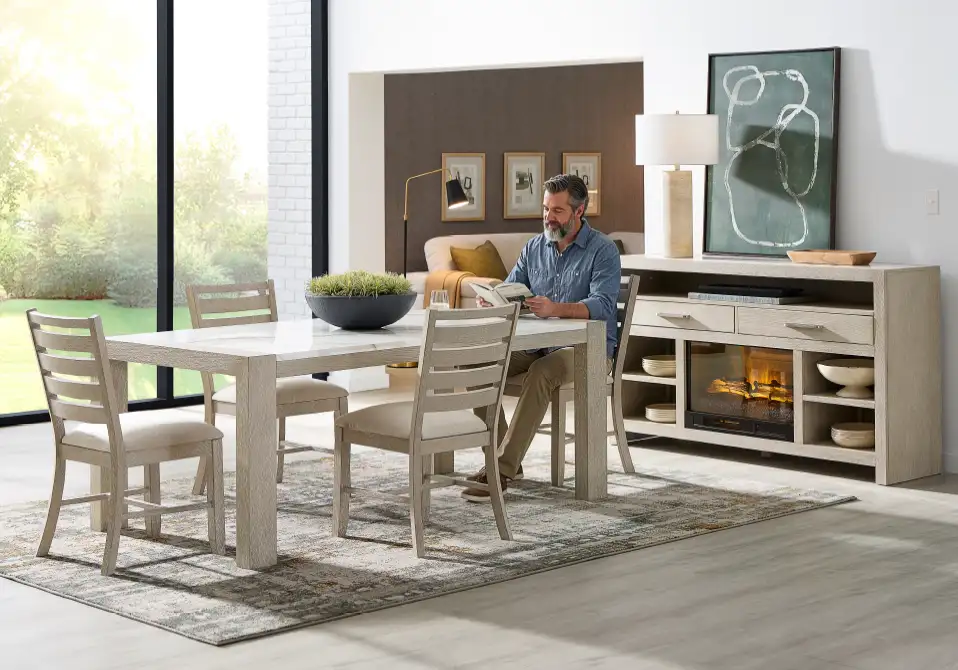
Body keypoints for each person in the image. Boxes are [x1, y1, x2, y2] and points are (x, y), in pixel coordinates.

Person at [461, 173, 621, 502]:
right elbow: (510, 288)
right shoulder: (535, 247)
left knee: (542, 372)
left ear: (579, 212)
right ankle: (506, 457)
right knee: (474, 363)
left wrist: (555, 308)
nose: (549, 217)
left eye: (557, 211)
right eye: (546, 209)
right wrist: (494, 298)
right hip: (537, 345)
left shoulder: (602, 250)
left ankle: (500, 470)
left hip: (586, 349)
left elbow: (603, 305)